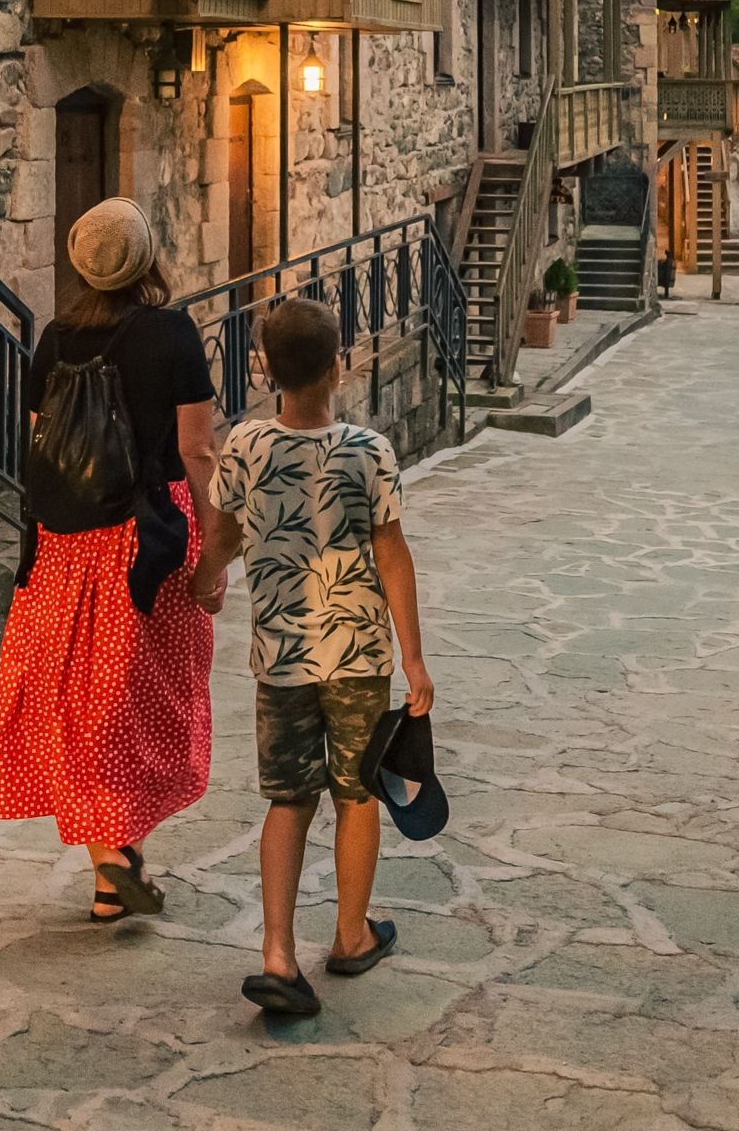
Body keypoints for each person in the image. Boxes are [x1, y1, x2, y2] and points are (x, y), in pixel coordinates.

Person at [0, 197, 219, 921]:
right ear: (147, 258)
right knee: (144, 699)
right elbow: (197, 451)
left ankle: (112, 863)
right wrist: (213, 550)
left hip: (64, 542)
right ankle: (117, 857)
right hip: (145, 534)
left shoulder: (54, 339)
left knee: (76, 705)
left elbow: (45, 443)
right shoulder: (174, 335)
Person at [196, 296, 432, 1018]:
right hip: (359, 655)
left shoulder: (245, 447)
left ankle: (276, 954)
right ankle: (351, 934)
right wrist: (414, 661)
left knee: (287, 800)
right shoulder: (370, 451)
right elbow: (393, 558)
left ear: (264, 369)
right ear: (339, 367)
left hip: (282, 659)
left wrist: (206, 579)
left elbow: (227, 537)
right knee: (357, 793)